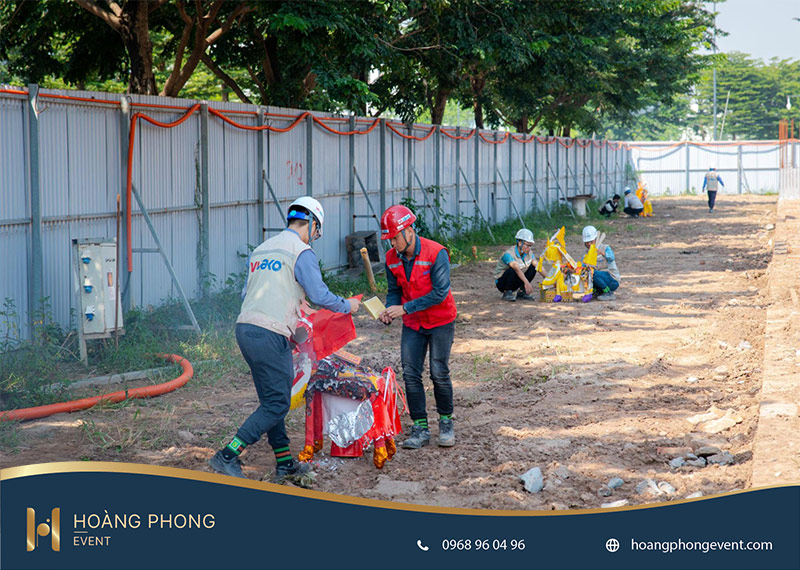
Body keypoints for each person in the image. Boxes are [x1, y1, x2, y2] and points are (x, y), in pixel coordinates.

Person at [209, 196, 360, 480]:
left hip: (246, 329)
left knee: (271, 399)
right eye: (317, 231)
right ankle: (227, 454)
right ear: (313, 224)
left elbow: (248, 294)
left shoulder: (261, 250)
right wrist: (346, 305)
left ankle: (284, 463)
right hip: (269, 334)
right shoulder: (300, 251)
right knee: (278, 403)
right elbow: (318, 294)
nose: (314, 237)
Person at [378, 205, 457, 449]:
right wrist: (391, 309)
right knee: (410, 374)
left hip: (441, 320)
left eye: (395, 238)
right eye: (389, 239)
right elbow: (394, 291)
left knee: (438, 372)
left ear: (409, 231)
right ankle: (420, 427)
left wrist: (405, 308)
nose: (392, 244)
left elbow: (440, 293)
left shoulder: (436, 253)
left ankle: (446, 423)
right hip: (413, 323)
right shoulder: (392, 259)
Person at [494, 228, 537, 302]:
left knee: (533, 268)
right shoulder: (509, 253)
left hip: (515, 279)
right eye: (527, 245)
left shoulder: (528, 253)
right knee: (513, 269)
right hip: (502, 282)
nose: (529, 248)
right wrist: (526, 283)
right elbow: (516, 268)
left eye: (531, 246)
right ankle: (507, 292)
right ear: (520, 243)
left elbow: (538, 266)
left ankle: (521, 293)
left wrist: (550, 280)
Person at [582, 225, 619, 301]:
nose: (589, 244)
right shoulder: (586, 254)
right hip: (599, 278)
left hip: (611, 280)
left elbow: (612, 257)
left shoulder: (605, 248)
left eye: (591, 241)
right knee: (585, 274)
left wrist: (602, 253)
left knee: (593, 273)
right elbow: (583, 267)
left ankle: (608, 293)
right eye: (587, 242)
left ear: (596, 239)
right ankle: (597, 291)